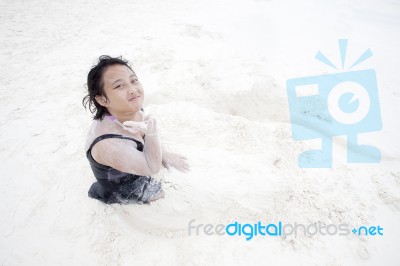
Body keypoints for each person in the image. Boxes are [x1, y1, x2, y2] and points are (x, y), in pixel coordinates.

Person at [82, 55, 190, 204]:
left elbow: (144, 132)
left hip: (128, 160)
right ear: (102, 99)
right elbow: (151, 168)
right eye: (119, 86)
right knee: (160, 194)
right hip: (121, 184)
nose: (133, 90)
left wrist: (165, 154)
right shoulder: (109, 144)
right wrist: (152, 135)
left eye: (133, 81)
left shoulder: (128, 108)